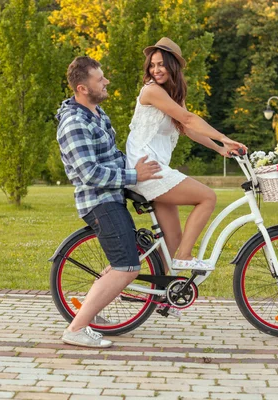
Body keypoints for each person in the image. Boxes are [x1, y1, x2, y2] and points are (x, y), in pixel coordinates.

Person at [56, 56, 162, 348]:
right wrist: (132, 174)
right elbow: (89, 172)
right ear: (82, 87)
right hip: (99, 201)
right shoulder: (74, 123)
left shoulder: (97, 114)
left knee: (123, 261)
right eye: (99, 79)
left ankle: (90, 312)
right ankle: (76, 330)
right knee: (127, 267)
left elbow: (111, 156)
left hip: (113, 197)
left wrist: (137, 172)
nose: (106, 82)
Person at [126, 37, 247, 272]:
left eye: (161, 64)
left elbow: (188, 128)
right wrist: (223, 137)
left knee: (171, 241)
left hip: (154, 168)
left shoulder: (171, 96)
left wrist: (219, 148)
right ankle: (186, 256)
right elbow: (189, 119)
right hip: (147, 168)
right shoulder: (152, 91)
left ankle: (160, 297)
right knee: (208, 197)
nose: (155, 69)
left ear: (173, 66)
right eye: (152, 65)